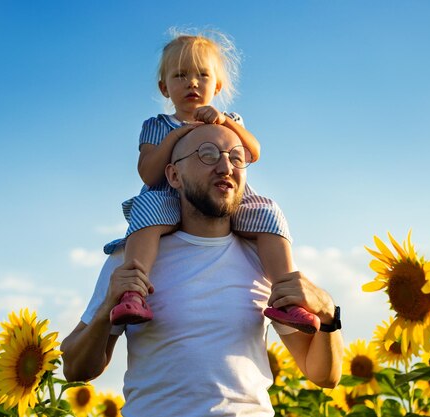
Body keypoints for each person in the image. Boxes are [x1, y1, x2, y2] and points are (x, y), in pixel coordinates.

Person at [61, 124, 344, 417]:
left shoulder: (264, 258)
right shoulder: (133, 257)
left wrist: (328, 314)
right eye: (207, 154)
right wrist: (107, 309)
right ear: (174, 176)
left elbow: (323, 375)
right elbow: (75, 368)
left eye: (236, 157)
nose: (225, 167)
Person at [105, 30, 319, 332]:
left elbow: (254, 152)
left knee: (269, 212)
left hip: (225, 197)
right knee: (147, 208)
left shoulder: (229, 120)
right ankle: (134, 293)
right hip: (169, 196)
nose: (192, 82)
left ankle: (288, 297)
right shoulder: (158, 125)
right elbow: (149, 173)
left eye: (202, 75)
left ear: (216, 85)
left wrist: (225, 122)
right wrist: (178, 135)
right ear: (164, 88)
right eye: (180, 75)